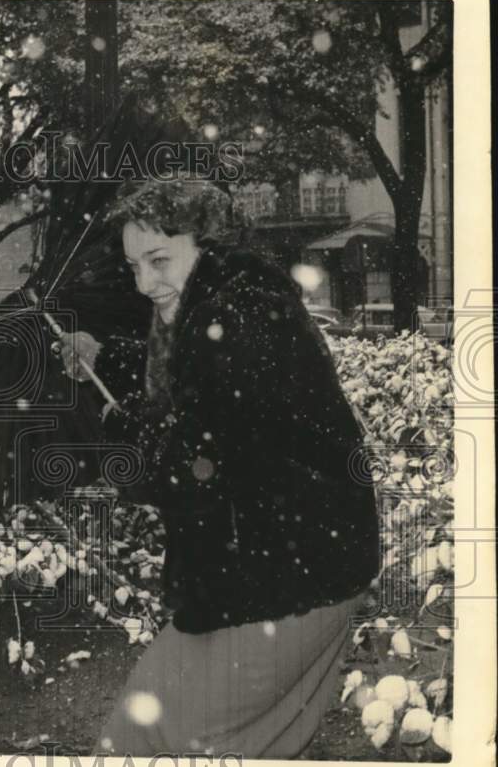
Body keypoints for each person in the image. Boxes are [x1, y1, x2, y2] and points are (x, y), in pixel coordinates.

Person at [58, 178, 379, 758]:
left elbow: (191, 471)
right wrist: (103, 357)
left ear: (209, 245)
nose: (143, 283)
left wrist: (116, 434)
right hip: (300, 560)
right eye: (134, 265)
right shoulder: (237, 302)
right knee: (196, 737)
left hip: (284, 572)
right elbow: (197, 389)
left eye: (159, 260)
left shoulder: (230, 320)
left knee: (155, 736)